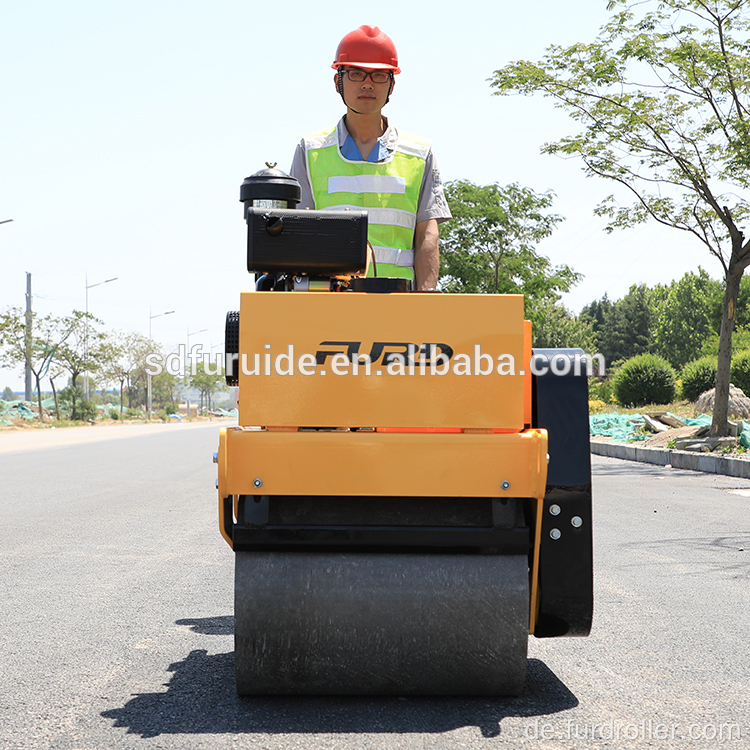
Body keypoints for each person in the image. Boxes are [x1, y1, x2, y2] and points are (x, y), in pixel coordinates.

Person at [289, 25, 452, 291]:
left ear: (392, 84)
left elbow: (427, 236)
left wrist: (426, 307)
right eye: (355, 73)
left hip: (400, 310)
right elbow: (298, 237)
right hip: (330, 309)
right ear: (337, 81)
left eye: (378, 75)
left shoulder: (419, 153)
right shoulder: (310, 150)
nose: (367, 83)